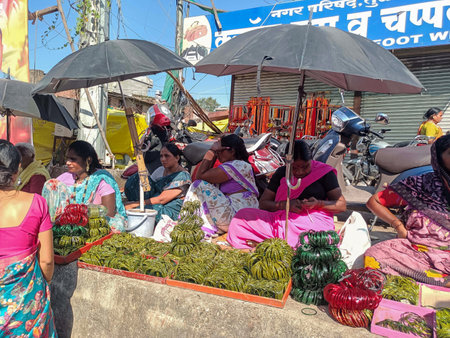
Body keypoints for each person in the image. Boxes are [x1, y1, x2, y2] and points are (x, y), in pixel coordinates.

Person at [364, 134, 450, 287]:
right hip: (419, 253)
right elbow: (374, 202)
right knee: (375, 255)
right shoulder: (421, 184)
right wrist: (398, 225)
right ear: (439, 158)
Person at [227, 140, 346, 249]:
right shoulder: (281, 172)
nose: (299, 172)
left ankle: (275, 242)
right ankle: (283, 242)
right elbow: (263, 204)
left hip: (312, 222)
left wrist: (318, 204)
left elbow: (341, 205)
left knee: (312, 236)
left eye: (305, 167)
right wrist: (285, 205)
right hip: (279, 220)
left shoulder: (324, 173)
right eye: (294, 168)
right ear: (287, 162)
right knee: (242, 216)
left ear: (311, 160)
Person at [0, 140, 56, 336]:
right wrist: (39, 286)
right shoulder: (37, 203)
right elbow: (47, 261)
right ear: (18, 169)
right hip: (27, 310)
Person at [183, 134, 259, 236]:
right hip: (240, 216)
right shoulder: (241, 165)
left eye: (220, 151)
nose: (218, 154)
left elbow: (200, 176)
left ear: (232, 151)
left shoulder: (235, 166)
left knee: (198, 185)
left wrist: (211, 151)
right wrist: (215, 151)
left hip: (237, 217)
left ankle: (188, 223)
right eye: (217, 152)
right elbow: (205, 174)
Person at [42, 140, 127, 231]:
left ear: (88, 160)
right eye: (67, 158)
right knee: (51, 184)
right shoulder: (64, 178)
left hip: (93, 223)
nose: (67, 162)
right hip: (67, 223)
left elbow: (109, 212)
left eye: (73, 159)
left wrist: (84, 214)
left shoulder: (100, 179)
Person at [124, 143, 191, 223]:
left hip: (169, 210)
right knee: (137, 178)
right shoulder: (160, 170)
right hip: (156, 202)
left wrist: (134, 204)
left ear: (177, 158)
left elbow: (162, 199)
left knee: (145, 211)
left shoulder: (183, 176)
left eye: (167, 156)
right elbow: (149, 186)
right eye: (161, 156)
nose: (163, 159)